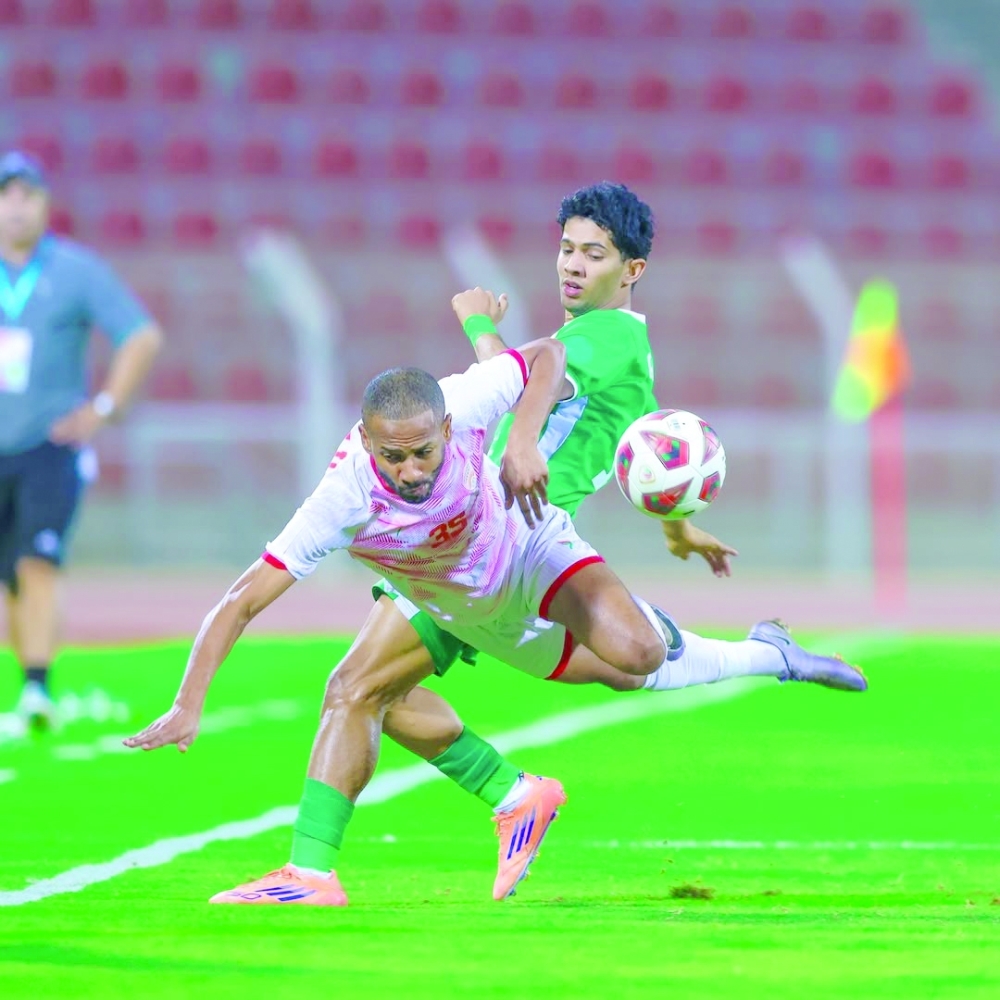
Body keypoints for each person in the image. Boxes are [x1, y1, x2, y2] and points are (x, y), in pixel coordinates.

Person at [125, 345, 865, 907]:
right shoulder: (340, 497)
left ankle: (756, 652)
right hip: (459, 606)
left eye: (423, 451)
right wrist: (190, 700)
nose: (411, 469)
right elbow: (243, 599)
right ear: (365, 440)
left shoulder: (464, 401)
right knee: (354, 691)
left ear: (448, 425)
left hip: (531, 548)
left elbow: (546, 355)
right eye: (393, 456)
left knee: (636, 656)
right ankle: (315, 872)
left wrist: (524, 440)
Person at [0, 151, 162, 731]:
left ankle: (38, 691)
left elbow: (139, 334)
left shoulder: (74, 270)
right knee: (9, 575)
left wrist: (103, 408)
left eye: (27, 196)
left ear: (45, 205)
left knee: (38, 560)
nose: (16, 207)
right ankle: (27, 688)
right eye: (7, 195)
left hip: (48, 444)